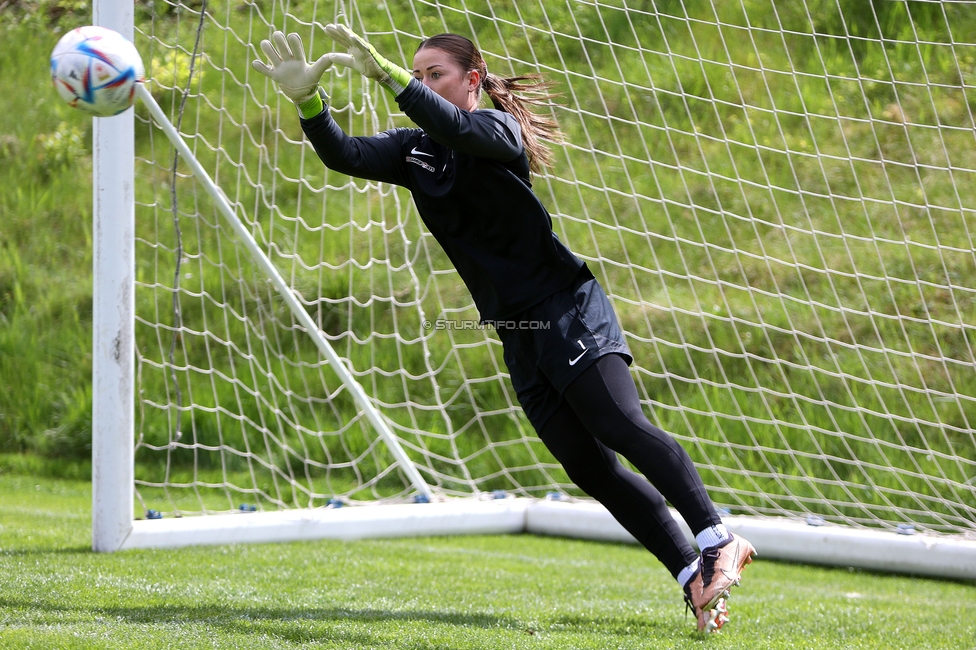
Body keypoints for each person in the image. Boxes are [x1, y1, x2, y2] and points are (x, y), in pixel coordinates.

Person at [252, 25, 756, 633]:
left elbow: (457, 128)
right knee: (586, 468)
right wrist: (308, 101)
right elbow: (344, 155)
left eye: (433, 73)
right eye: (417, 74)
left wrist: (390, 77)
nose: (423, 82)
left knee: (618, 424)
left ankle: (717, 537)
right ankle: (693, 578)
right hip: (516, 328)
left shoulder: (496, 131)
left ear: (472, 78)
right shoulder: (415, 152)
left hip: (565, 304)